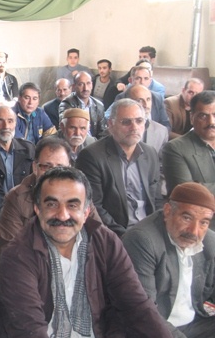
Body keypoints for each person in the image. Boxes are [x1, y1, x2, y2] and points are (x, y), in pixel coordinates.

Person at [0, 167, 177, 338]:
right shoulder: (17, 256)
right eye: (52, 204)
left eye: (72, 205)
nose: (63, 215)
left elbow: (137, 306)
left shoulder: (105, 242)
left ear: (86, 212)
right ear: (37, 209)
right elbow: (28, 332)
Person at [123, 182, 215, 338]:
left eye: (204, 222)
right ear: (167, 211)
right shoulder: (142, 240)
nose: (194, 231)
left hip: (193, 323)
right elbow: (145, 314)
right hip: (153, 330)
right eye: (187, 218)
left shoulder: (209, 241)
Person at [76, 99, 161, 236]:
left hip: (149, 231)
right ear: (111, 124)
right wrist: (124, 236)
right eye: (126, 122)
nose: (134, 127)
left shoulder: (150, 153)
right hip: (114, 234)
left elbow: (156, 200)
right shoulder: (92, 156)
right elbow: (94, 206)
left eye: (139, 121)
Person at [0, 138, 73, 250]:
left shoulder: (80, 195)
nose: (53, 173)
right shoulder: (16, 198)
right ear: (35, 168)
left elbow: (98, 238)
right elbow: (10, 250)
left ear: (69, 169)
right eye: (46, 166)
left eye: (60, 167)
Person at [163, 91, 215, 197]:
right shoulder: (175, 148)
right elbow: (185, 192)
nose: (211, 122)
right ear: (191, 118)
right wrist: (194, 188)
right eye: (203, 116)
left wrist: (200, 186)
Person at [58, 71, 105, 137]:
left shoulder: (98, 105)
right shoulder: (66, 104)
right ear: (74, 86)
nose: (85, 88)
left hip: (94, 142)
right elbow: (64, 131)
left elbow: (102, 133)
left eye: (88, 83)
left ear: (92, 85)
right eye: (81, 84)